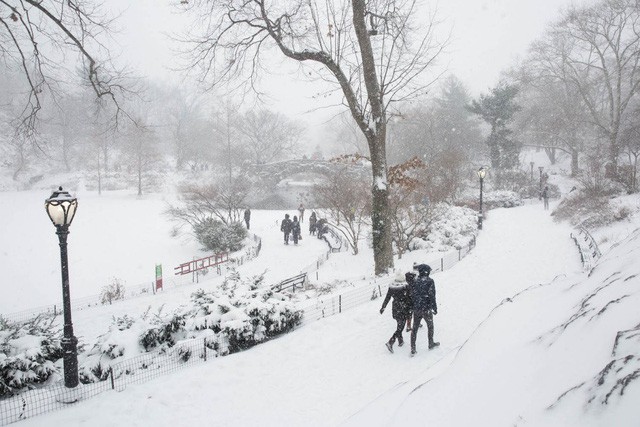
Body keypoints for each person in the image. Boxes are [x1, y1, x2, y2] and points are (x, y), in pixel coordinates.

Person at [409, 263, 439, 356]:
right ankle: (430, 343)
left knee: (414, 329)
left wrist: (413, 306)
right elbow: (432, 295)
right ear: (426, 272)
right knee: (430, 326)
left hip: (417, 309)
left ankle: (413, 349)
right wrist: (434, 308)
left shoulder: (415, 281)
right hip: (426, 309)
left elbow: (412, 295)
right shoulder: (430, 281)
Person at [380, 272, 413, 353]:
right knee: (400, 327)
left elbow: (387, 298)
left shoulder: (391, 287)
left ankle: (400, 341)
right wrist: (411, 307)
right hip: (403, 308)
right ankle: (391, 341)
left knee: (399, 323)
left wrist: (383, 307)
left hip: (395, 307)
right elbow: (410, 298)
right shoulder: (406, 287)